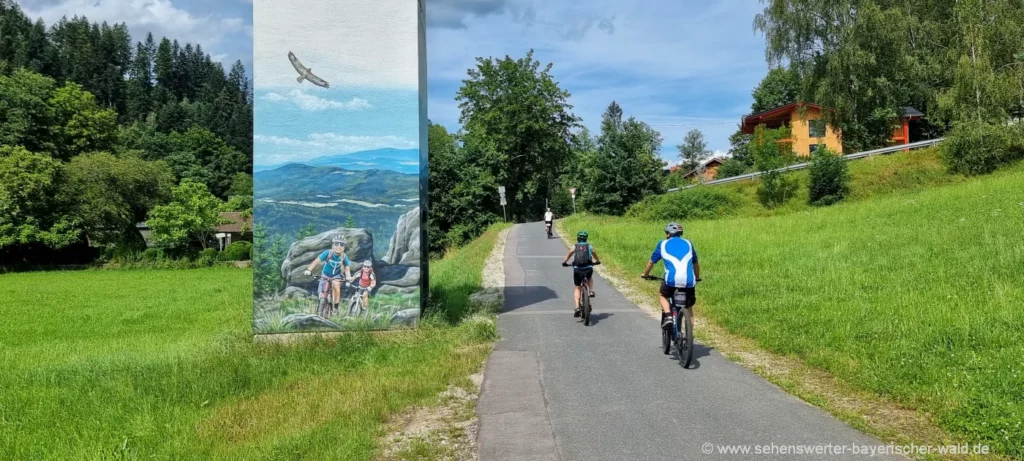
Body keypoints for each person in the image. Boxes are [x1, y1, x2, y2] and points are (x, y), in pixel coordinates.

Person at [641, 223, 700, 328]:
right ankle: (690, 334)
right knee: (689, 305)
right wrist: (697, 277)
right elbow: (695, 263)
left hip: (671, 280)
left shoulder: (662, 244)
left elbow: (651, 262)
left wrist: (645, 274)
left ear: (668, 234)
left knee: (662, 295)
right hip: (689, 281)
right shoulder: (688, 243)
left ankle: (668, 316)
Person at [303, 236, 352, 316]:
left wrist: (348, 276)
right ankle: (322, 303)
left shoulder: (344, 256)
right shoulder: (327, 253)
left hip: (336, 275)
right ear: (333, 245)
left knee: (336, 285)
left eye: (341, 245)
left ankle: (335, 308)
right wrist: (309, 270)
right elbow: (317, 261)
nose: (338, 246)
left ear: (344, 247)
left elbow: (347, 267)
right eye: (336, 244)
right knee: (321, 291)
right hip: (325, 274)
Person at [561, 230, 601, 317]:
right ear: (586, 238)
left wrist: (564, 262)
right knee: (590, 278)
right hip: (588, 269)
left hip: (577, 269)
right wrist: (597, 261)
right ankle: (591, 291)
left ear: (578, 238)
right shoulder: (590, 246)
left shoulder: (574, 247)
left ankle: (577, 307)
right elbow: (595, 255)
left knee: (577, 287)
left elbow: (568, 256)